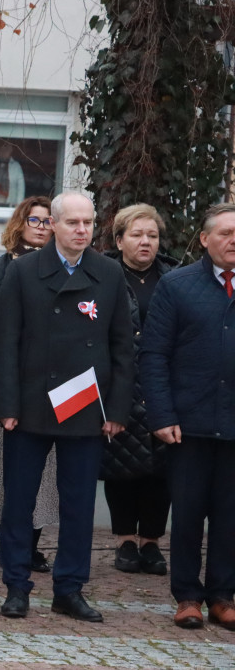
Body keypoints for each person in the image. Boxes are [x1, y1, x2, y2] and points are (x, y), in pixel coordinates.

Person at [0, 192, 133, 623]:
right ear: (52, 224)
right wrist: (7, 404)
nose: (82, 230)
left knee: (78, 505)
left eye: (88, 223)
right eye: (72, 222)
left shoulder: (109, 273)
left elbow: (122, 348)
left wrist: (116, 411)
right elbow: (6, 344)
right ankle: (16, 585)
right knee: (18, 501)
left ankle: (69, 588)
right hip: (31, 403)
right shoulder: (22, 271)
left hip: (85, 404)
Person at [141, 203, 235, 631]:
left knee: (230, 514)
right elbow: (154, 355)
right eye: (226, 233)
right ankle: (187, 596)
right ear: (204, 239)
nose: (233, 241)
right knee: (189, 513)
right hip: (187, 423)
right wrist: (161, 414)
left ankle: (222, 596)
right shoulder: (176, 286)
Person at [0, 196, 59, 573]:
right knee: (4, 469)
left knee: (45, 471)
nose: (40, 226)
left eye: (47, 220)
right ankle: (11, 540)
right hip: (6, 382)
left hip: (48, 385)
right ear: (19, 223)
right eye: (33, 219)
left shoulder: (63, 268)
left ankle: (31, 544)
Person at [101, 204, 175, 576]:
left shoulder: (175, 277)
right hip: (119, 383)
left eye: (152, 235)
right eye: (137, 234)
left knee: (161, 468)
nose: (145, 242)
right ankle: (125, 540)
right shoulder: (102, 275)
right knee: (120, 465)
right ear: (119, 239)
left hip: (163, 383)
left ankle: (151, 542)